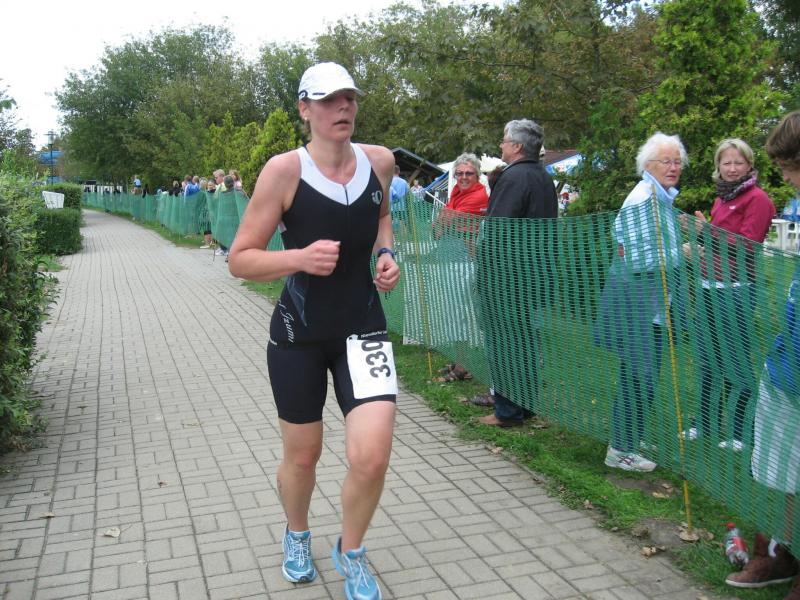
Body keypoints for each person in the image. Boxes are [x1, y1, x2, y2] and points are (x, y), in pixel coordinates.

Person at [228, 62, 399, 600]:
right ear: (305, 109)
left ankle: (352, 551)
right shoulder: (284, 171)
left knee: (372, 456)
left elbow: (381, 218)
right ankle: (297, 534)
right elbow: (240, 259)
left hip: (364, 331)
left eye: (349, 98)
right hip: (297, 335)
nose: (342, 108)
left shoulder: (380, 161)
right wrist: (298, 258)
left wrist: (387, 253)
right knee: (303, 456)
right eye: (328, 100)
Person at [724, 110, 800, 599]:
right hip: (789, 359)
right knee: (785, 464)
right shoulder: (797, 206)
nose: (786, 178)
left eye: (790, 168)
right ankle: (782, 550)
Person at [596, 132, 687, 472]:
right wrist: (683, 253)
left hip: (652, 307)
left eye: (678, 161)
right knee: (639, 377)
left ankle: (628, 437)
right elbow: (636, 259)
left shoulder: (660, 198)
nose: (673, 167)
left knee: (642, 377)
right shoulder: (643, 199)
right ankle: (621, 450)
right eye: (666, 161)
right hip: (636, 306)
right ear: (648, 165)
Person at [686, 138, 775, 451]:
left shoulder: (758, 199)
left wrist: (705, 232)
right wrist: (698, 248)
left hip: (736, 291)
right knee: (707, 360)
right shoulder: (722, 197)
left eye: (739, 162)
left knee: (735, 362)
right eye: (727, 162)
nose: (733, 168)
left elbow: (747, 246)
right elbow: (718, 243)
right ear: (718, 166)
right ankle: (704, 423)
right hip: (708, 288)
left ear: (749, 165)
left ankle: (739, 432)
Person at [472, 119, 558, 425]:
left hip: (507, 278)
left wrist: (485, 273)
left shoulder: (513, 177)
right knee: (525, 342)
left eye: (504, 140)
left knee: (505, 344)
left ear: (518, 146)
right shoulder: (543, 177)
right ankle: (525, 405)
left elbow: (498, 231)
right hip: (533, 275)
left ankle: (507, 411)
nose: (501, 145)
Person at [389, 164, 409, 231]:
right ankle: (405, 237)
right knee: (402, 224)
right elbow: (407, 194)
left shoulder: (389, 181)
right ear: (399, 171)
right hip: (402, 207)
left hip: (391, 207)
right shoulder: (404, 182)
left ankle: (392, 237)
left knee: (390, 225)